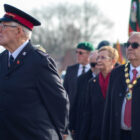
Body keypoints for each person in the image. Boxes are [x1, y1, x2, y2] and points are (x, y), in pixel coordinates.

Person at [0, 4, 69, 140]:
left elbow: (59, 100)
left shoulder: (38, 61)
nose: (0, 30)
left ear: (19, 31)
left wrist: (61, 132)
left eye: (4, 27)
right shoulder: (2, 59)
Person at [101, 32, 140, 140]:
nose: (130, 48)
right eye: (128, 45)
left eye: (135, 45)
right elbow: (108, 109)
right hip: (118, 134)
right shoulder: (116, 73)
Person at [80, 46, 119, 140]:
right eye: (98, 57)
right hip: (96, 134)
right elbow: (88, 113)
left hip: (114, 133)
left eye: (103, 58)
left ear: (113, 61)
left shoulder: (120, 82)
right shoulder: (92, 83)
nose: (99, 60)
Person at [63, 42, 94, 132]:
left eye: (81, 53)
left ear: (89, 54)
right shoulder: (70, 70)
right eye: (76, 52)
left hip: (88, 115)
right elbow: (65, 92)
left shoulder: (95, 70)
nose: (77, 55)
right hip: (72, 114)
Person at [71, 50, 99, 140]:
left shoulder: (110, 79)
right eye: (92, 65)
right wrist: (72, 125)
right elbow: (76, 102)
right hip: (83, 123)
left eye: (96, 64)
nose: (94, 67)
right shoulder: (82, 79)